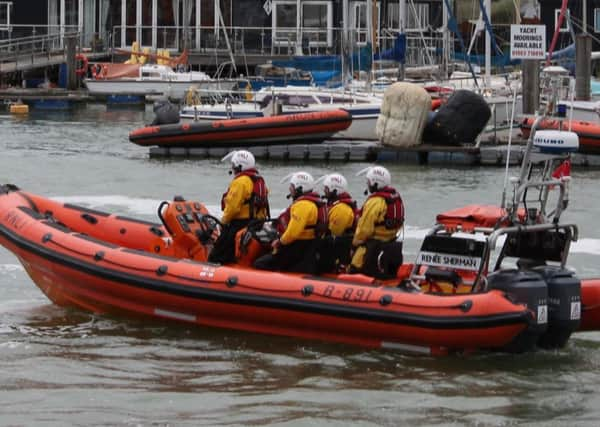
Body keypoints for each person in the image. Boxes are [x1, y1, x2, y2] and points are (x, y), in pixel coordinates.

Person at [253, 171, 327, 274]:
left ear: (300, 188)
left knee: (260, 263)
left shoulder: (302, 205)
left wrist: (279, 242)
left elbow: (293, 232)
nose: (289, 188)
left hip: (296, 247)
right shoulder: (311, 203)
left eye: (292, 186)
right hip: (306, 247)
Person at [208, 150, 270, 264]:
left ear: (239, 166)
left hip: (240, 224)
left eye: (233, 164)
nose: (232, 167)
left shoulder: (240, 182)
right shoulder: (258, 180)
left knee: (217, 253)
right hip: (256, 223)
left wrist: (223, 222)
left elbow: (232, 207)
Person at [350, 166, 405, 279]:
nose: (368, 184)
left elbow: (364, 230)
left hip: (372, 248)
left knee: (353, 268)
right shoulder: (395, 198)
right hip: (391, 245)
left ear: (375, 183)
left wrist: (353, 245)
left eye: (369, 182)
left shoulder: (375, 202)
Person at [317, 173, 358, 273]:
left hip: (338, 250)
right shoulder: (336, 205)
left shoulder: (341, 209)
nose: (324, 191)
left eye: (326, 188)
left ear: (335, 190)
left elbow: (334, 234)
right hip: (337, 247)